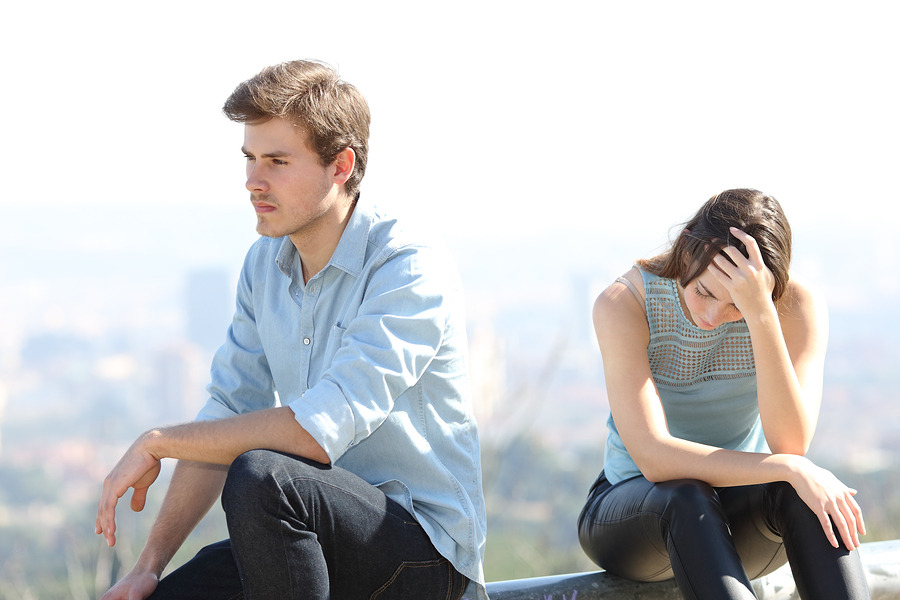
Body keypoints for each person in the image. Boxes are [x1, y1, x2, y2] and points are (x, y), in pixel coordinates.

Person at [95, 60, 487, 600]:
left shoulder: (407, 266)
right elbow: (227, 412)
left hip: (420, 556)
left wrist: (158, 443)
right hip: (314, 540)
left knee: (262, 477)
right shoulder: (264, 265)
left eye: (277, 161)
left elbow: (315, 432)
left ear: (341, 165)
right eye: (250, 159)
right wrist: (149, 565)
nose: (253, 182)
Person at [577, 189, 870, 600]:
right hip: (638, 517)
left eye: (735, 304)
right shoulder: (626, 302)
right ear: (686, 252)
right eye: (705, 292)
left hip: (737, 519)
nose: (713, 316)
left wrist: (760, 314)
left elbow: (790, 443)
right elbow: (654, 457)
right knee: (687, 493)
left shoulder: (795, 305)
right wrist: (788, 467)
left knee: (805, 491)